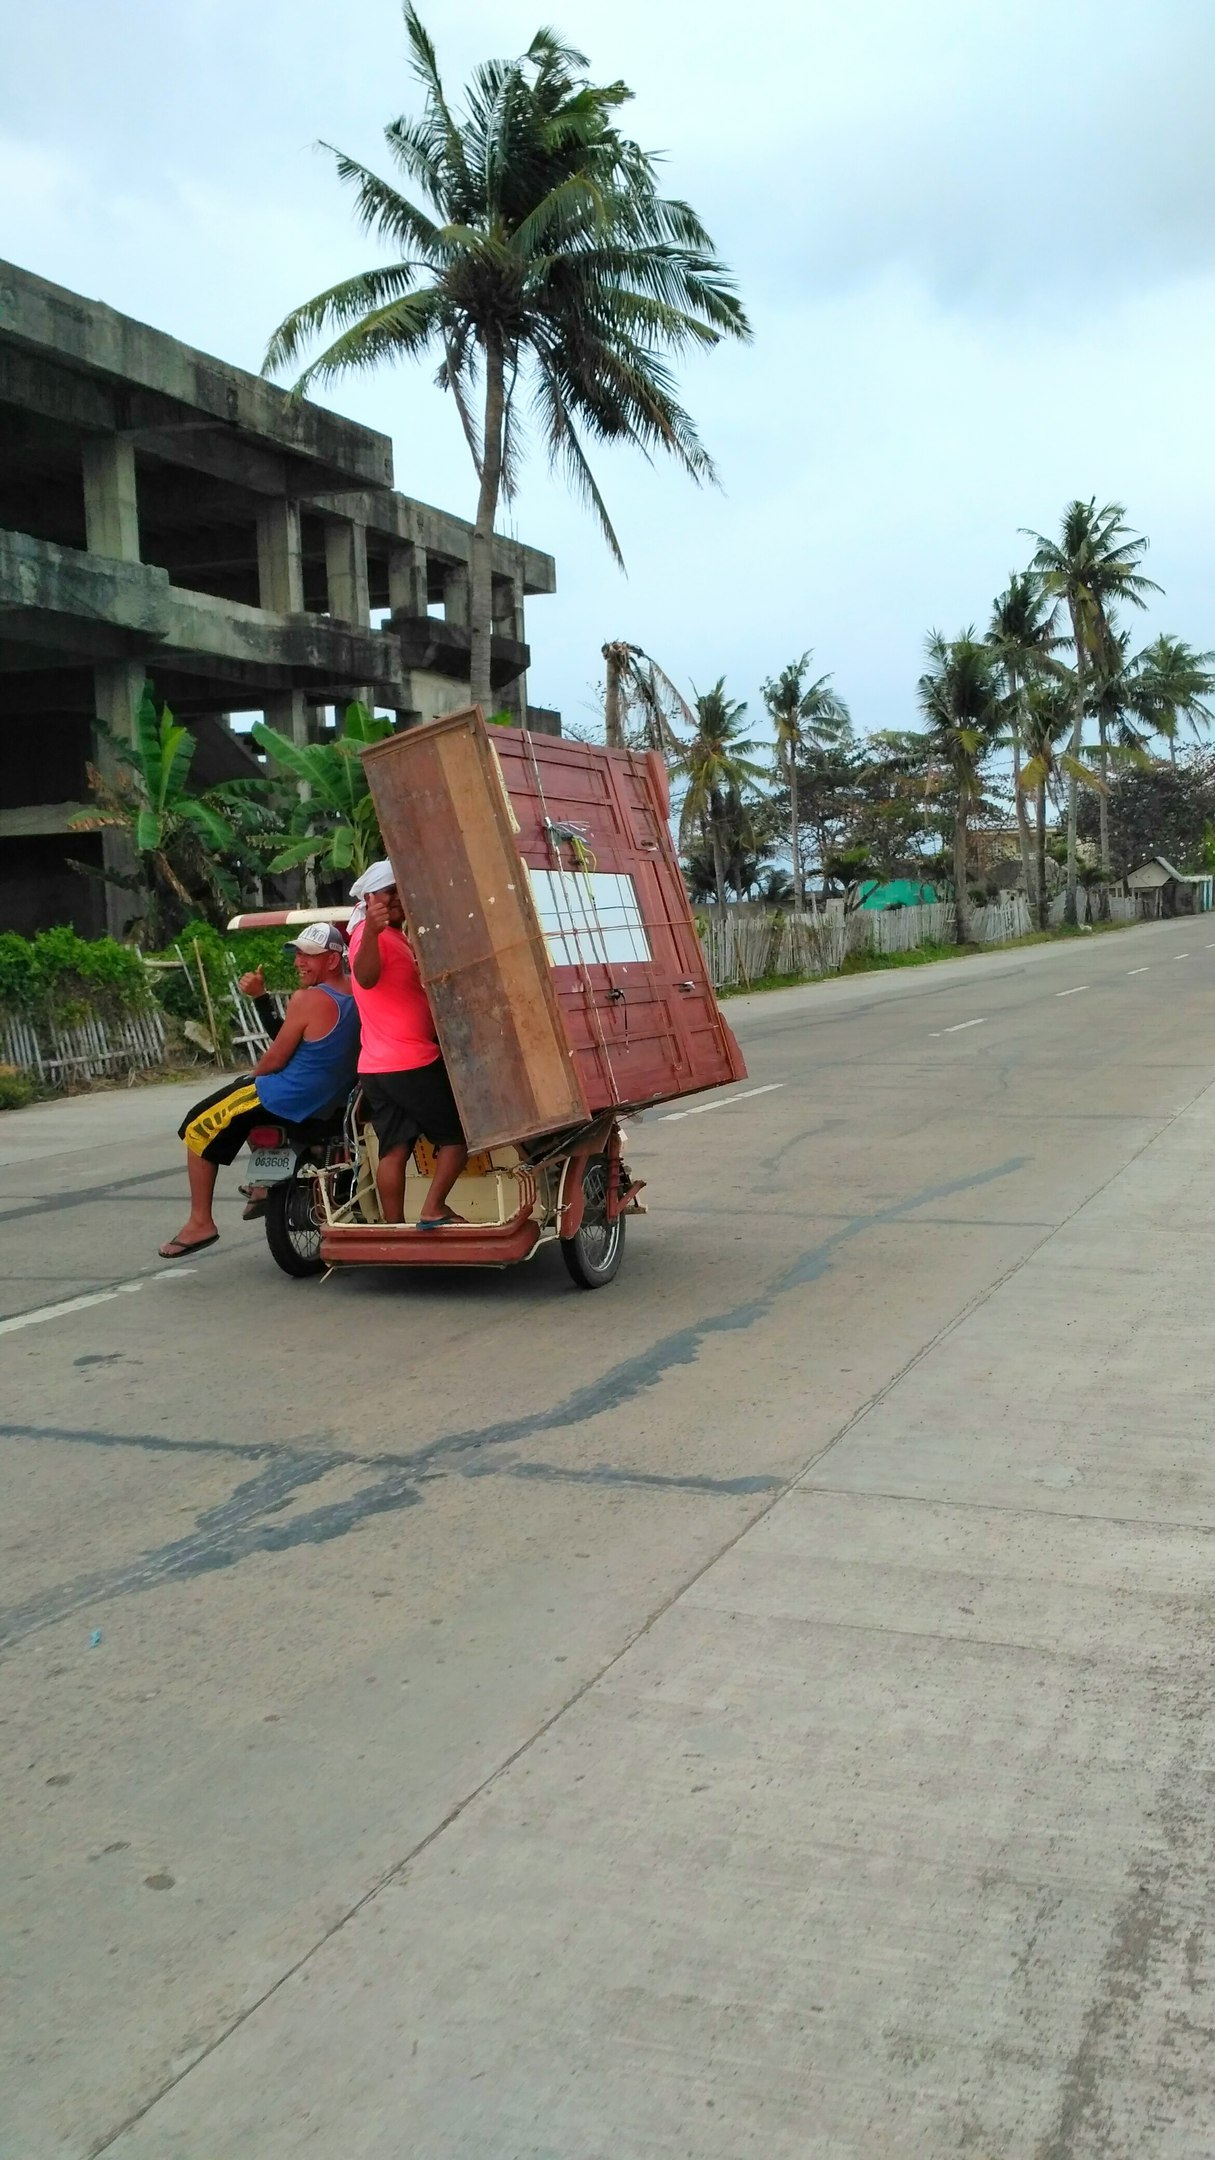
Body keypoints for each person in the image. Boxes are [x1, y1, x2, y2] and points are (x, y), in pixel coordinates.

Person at [159, 923, 359, 1259]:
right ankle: (261, 1186)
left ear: (333, 960)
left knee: (196, 1127)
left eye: (308, 955)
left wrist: (249, 1078)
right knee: (242, 1111)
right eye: (297, 954)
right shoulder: (359, 993)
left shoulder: (307, 998)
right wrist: (262, 998)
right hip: (329, 1104)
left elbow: (277, 1058)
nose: (299, 962)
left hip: (286, 1095)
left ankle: (200, 1222)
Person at [347, 860, 468, 1227]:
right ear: (371, 899)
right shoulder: (371, 938)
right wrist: (372, 930)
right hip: (410, 1061)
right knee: (457, 1139)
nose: (398, 898)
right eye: (390, 892)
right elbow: (365, 978)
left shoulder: (394, 938)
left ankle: (394, 1226)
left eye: (402, 891)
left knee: (395, 1148)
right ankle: (434, 1209)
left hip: (377, 1066)